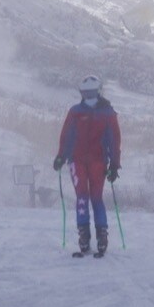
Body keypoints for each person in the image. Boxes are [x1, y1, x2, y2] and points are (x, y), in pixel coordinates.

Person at [53, 74, 122, 256]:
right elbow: (66, 135)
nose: (89, 96)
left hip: (97, 161)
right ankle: (86, 236)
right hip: (78, 161)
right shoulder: (76, 111)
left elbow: (114, 140)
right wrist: (61, 156)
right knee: (85, 197)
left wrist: (114, 164)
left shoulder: (107, 113)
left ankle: (100, 236)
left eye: (91, 92)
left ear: (99, 91)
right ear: (81, 93)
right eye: (86, 93)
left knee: (93, 198)